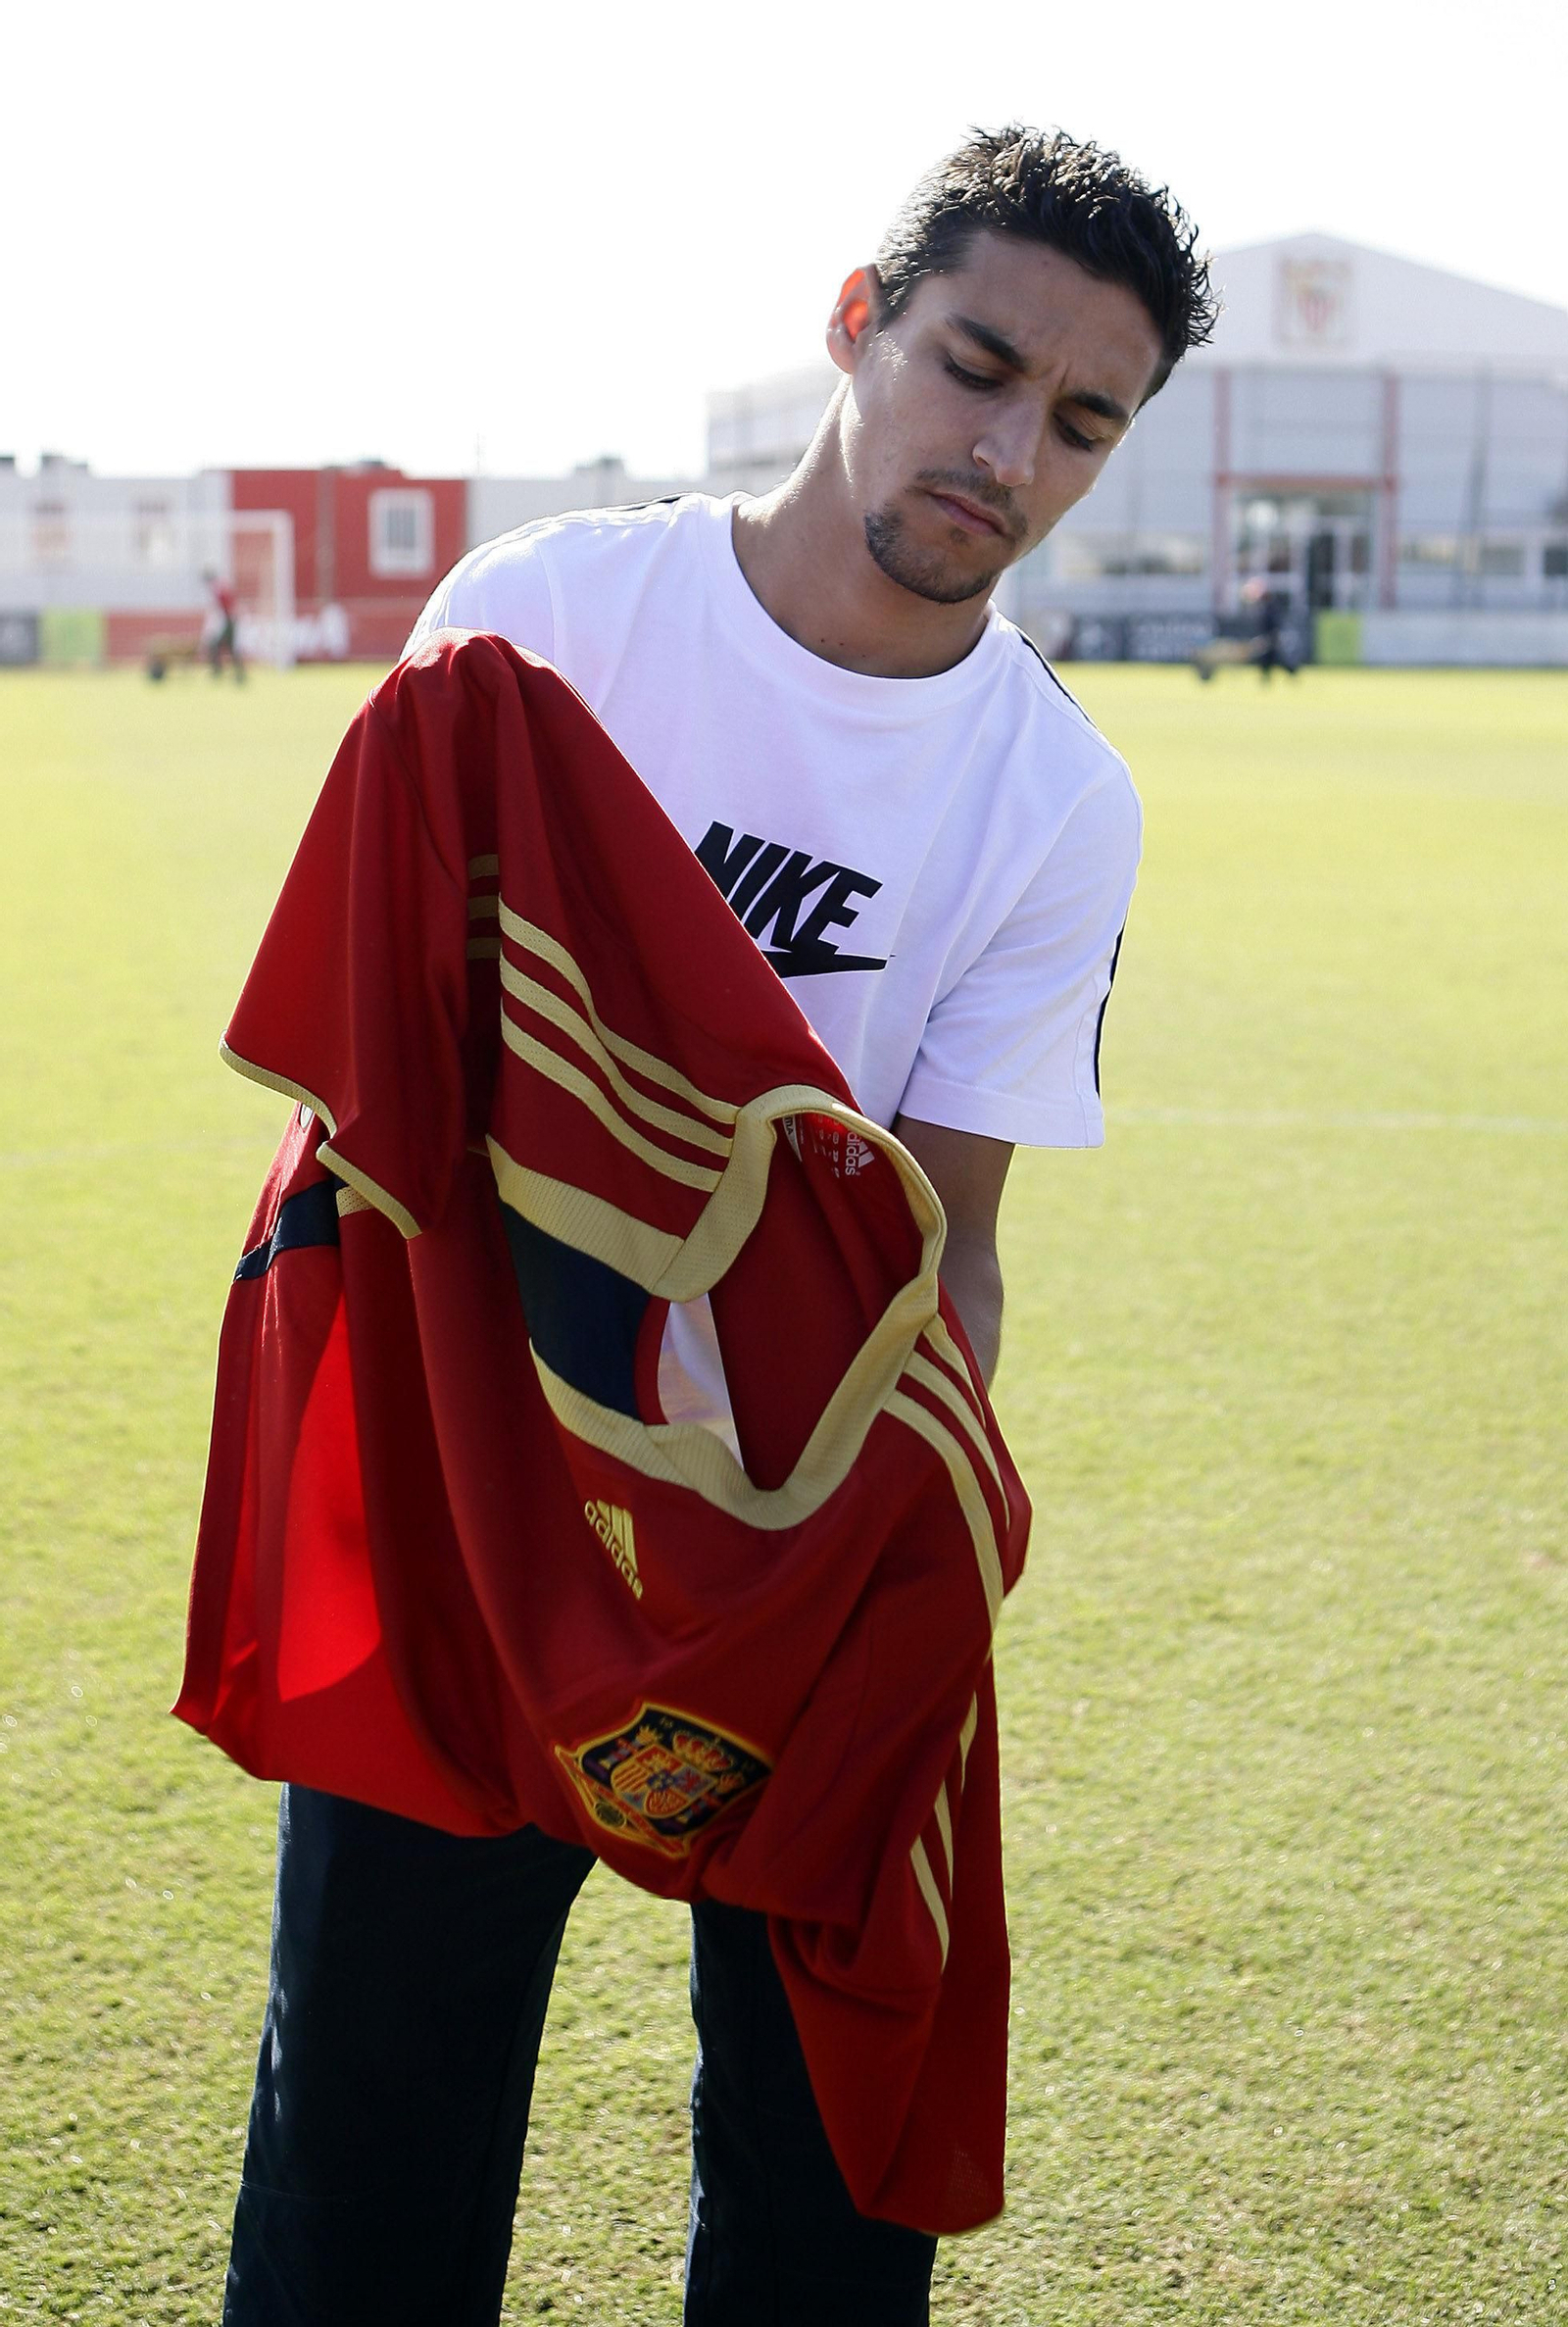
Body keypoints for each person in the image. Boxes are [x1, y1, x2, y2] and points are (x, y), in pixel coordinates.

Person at [219, 124, 1216, 2326]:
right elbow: (371, 1087)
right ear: (855, 325)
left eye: (1077, 420)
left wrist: (890, 1576)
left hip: (781, 1526)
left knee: (823, 2172)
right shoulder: (544, 622)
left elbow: (948, 1231)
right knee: (369, 2123)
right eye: (971, 362)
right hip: (479, 1481)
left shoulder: (1050, 793)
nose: (1004, 447)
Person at [203, 567, 245, 680]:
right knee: (230, 648)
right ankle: (238, 674)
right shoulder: (220, 587)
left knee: (215, 646)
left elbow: (220, 610)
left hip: (227, 622)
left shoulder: (217, 589)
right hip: (229, 621)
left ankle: (218, 672)